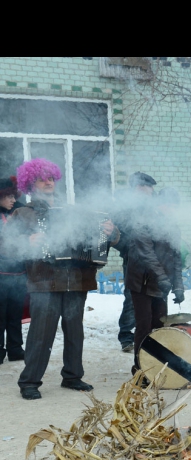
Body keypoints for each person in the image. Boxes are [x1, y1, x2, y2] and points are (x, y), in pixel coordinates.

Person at [11, 159, 119, 400]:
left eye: (51, 177)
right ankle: (29, 381)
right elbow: (7, 245)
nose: (48, 181)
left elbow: (102, 236)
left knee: (75, 330)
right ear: (31, 183)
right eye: (41, 178)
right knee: (41, 332)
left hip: (77, 279)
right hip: (44, 281)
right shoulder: (23, 213)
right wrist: (27, 242)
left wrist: (111, 232)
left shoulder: (73, 211)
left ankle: (72, 375)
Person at [126, 186, 184, 377]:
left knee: (160, 325)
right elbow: (147, 255)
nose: (174, 211)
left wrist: (178, 286)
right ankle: (140, 369)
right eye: (171, 206)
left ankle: (156, 366)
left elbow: (177, 257)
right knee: (144, 326)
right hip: (141, 283)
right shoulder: (144, 221)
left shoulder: (173, 226)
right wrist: (163, 278)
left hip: (161, 283)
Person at [113, 171, 158, 353]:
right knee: (132, 297)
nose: (151, 191)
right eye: (148, 187)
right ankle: (126, 335)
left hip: (152, 260)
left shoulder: (150, 208)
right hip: (133, 261)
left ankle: (145, 331)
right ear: (139, 188)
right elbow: (116, 237)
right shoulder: (124, 209)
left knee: (150, 296)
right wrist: (130, 249)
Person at [0, 177, 27, 365]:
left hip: (19, 274)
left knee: (15, 315)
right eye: (8, 196)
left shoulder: (18, 214)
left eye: (13, 196)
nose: (12, 200)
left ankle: (15, 349)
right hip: (0, 275)